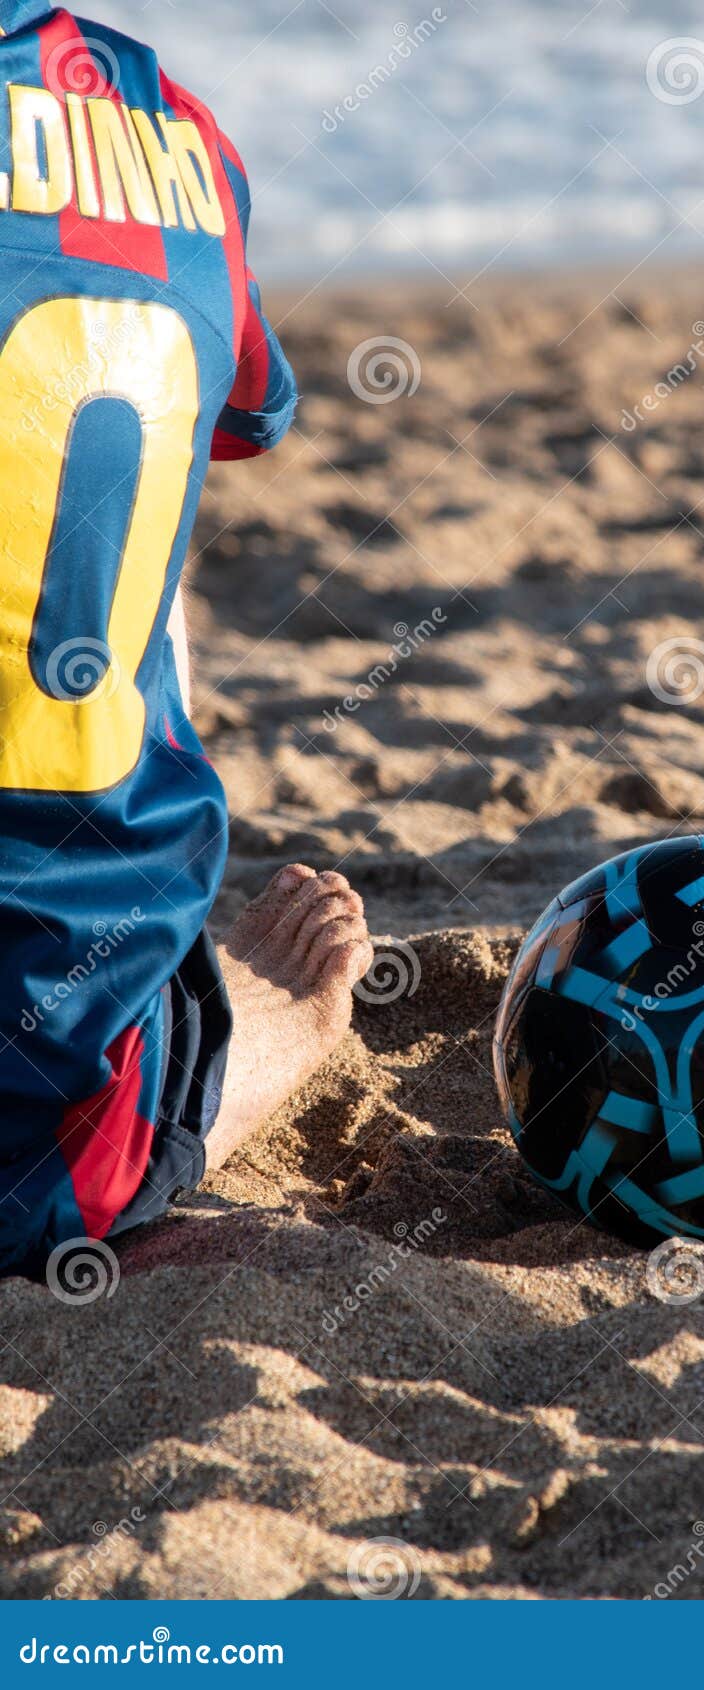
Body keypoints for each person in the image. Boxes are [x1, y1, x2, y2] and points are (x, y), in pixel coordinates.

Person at [0, 0, 372, 1277]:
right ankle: (176, 1002)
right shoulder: (179, 133)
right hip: (54, 1071)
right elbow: (249, 402)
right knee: (114, 504)